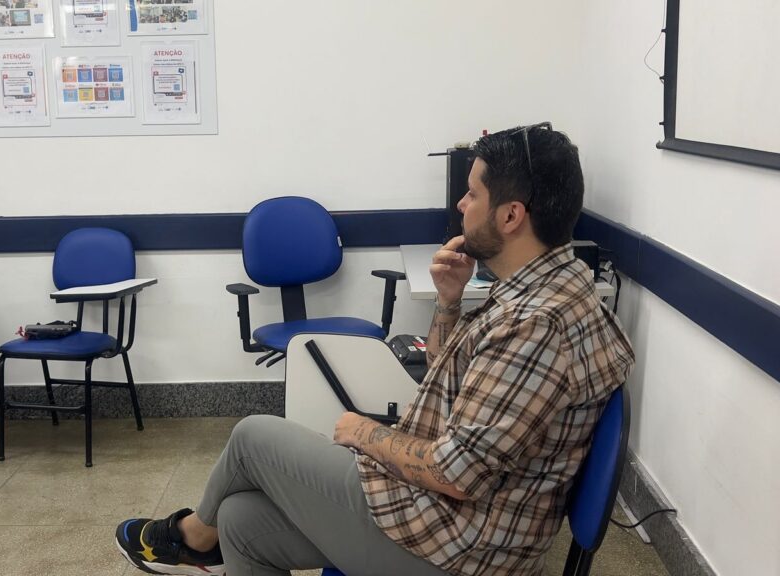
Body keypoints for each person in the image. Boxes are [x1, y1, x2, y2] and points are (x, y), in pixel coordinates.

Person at [112, 124, 635, 575]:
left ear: (511, 215)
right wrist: (449, 302)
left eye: (472, 194)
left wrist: (366, 434)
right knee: (241, 521)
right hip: (455, 522)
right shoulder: (554, 288)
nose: (461, 204)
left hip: (460, 548)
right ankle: (205, 535)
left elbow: (455, 474)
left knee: (252, 436)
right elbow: (455, 380)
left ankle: (187, 536)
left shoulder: (536, 324)